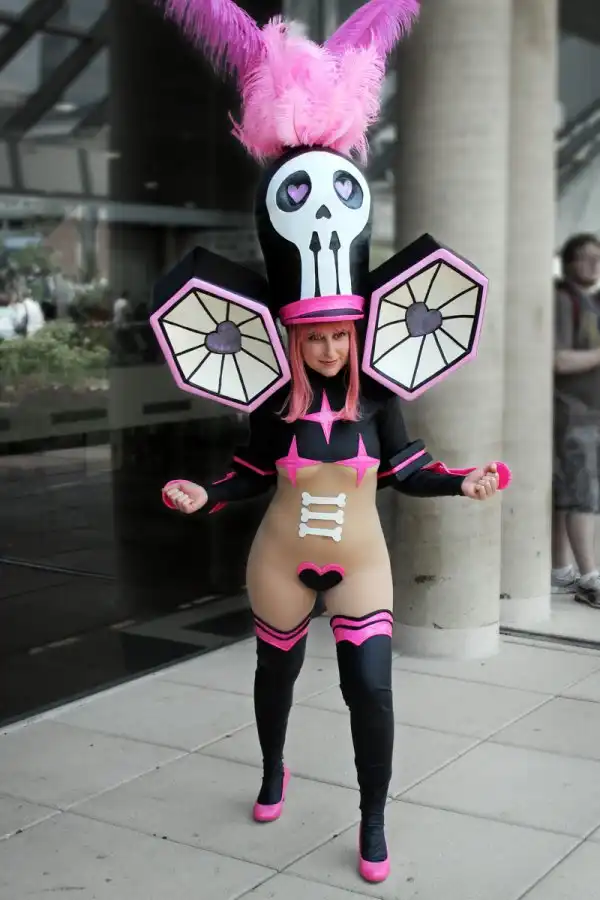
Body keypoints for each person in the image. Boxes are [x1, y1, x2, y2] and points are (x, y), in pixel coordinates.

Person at [153, 0, 511, 885]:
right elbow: (247, 472)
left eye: (338, 335)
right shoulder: (271, 399)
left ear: (357, 331)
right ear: (291, 334)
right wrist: (207, 494)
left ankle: (373, 817)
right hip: (278, 562)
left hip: (362, 566)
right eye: (311, 336)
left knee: (371, 691)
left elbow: (411, 468)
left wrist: (460, 481)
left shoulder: (380, 395)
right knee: (274, 679)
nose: (325, 348)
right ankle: (273, 768)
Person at [552, 233, 600, 607]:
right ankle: (589, 577)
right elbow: (559, 359)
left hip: (586, 413)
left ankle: (562, 570)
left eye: (597, 257)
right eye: (585, 257)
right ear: (568, 263)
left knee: (568, 495)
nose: (594, 263)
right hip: (572, 413)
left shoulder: (587, 302)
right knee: (583, 495)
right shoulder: (562, 300)